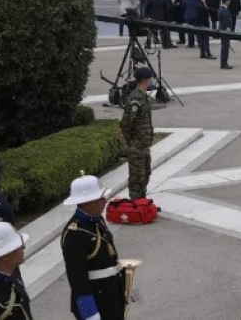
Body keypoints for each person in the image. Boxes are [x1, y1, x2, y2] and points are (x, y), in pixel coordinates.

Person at [60, 174, 124, 320]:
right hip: (97, 300)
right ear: (86, 203)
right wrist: (90, 313)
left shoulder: (97, 219)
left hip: (110, 295)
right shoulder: (75, 234)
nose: (105, 201)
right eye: (99, 199)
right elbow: (77, 279)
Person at [120, 67, 155, 198]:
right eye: (150, 79)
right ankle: (135, 205)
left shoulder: (143, 96)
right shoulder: (135, 98)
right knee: (136, 179)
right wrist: (131, 143)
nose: (152, 81)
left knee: (145, 175)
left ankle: (142, 203)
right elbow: (126, 123)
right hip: (137, 146)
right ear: (146, 80)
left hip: (144, 145)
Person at [219, 0, 235, 69]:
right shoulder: (224, 11)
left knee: (224, 47)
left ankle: (223, 63)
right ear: (227, 1)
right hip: (225, 32)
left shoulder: (221, 9)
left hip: (223, 31)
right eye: (229, 0)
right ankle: (224, 63)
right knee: (225, 48)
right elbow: (226, 22)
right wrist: (228, 29)